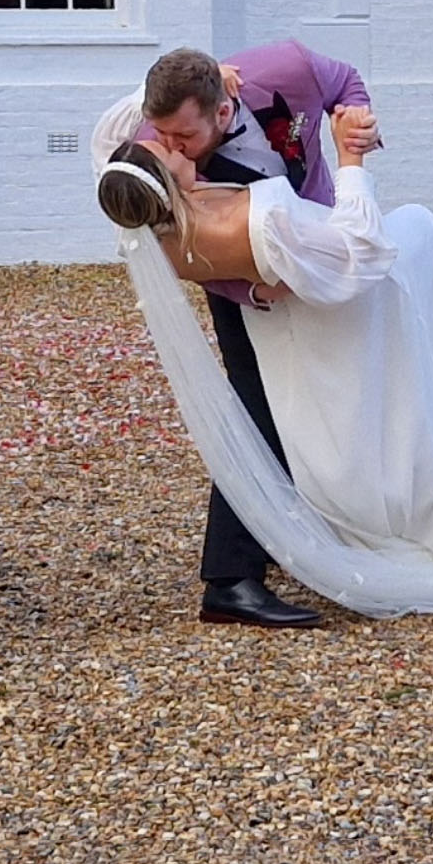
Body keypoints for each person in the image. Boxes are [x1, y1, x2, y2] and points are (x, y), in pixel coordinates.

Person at [96, 69, 433, 618]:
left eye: (169, 134)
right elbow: (362, 253)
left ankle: (261, 546)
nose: (167, 141)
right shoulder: (249, 218)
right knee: (277, 415)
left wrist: (198, 78)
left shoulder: (143, 205)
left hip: (285, 303)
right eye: (168, 146)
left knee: (281, 418)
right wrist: (351, 163)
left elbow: (111, 130)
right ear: (168, 178)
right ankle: (232, 577)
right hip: (331, 290)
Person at [91, 43, 377, 625]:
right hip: (241, 279)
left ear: (223, 109)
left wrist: (357, 125)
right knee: (257, 407)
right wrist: (252, 290)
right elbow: (187, 252)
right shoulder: (160, 155)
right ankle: (231, 578)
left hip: (317, 241)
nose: (169, 146)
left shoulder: (285, 68)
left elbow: (344, 78)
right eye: (162, 134)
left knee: (333, 398)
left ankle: (325, 532)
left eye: (183, 137)